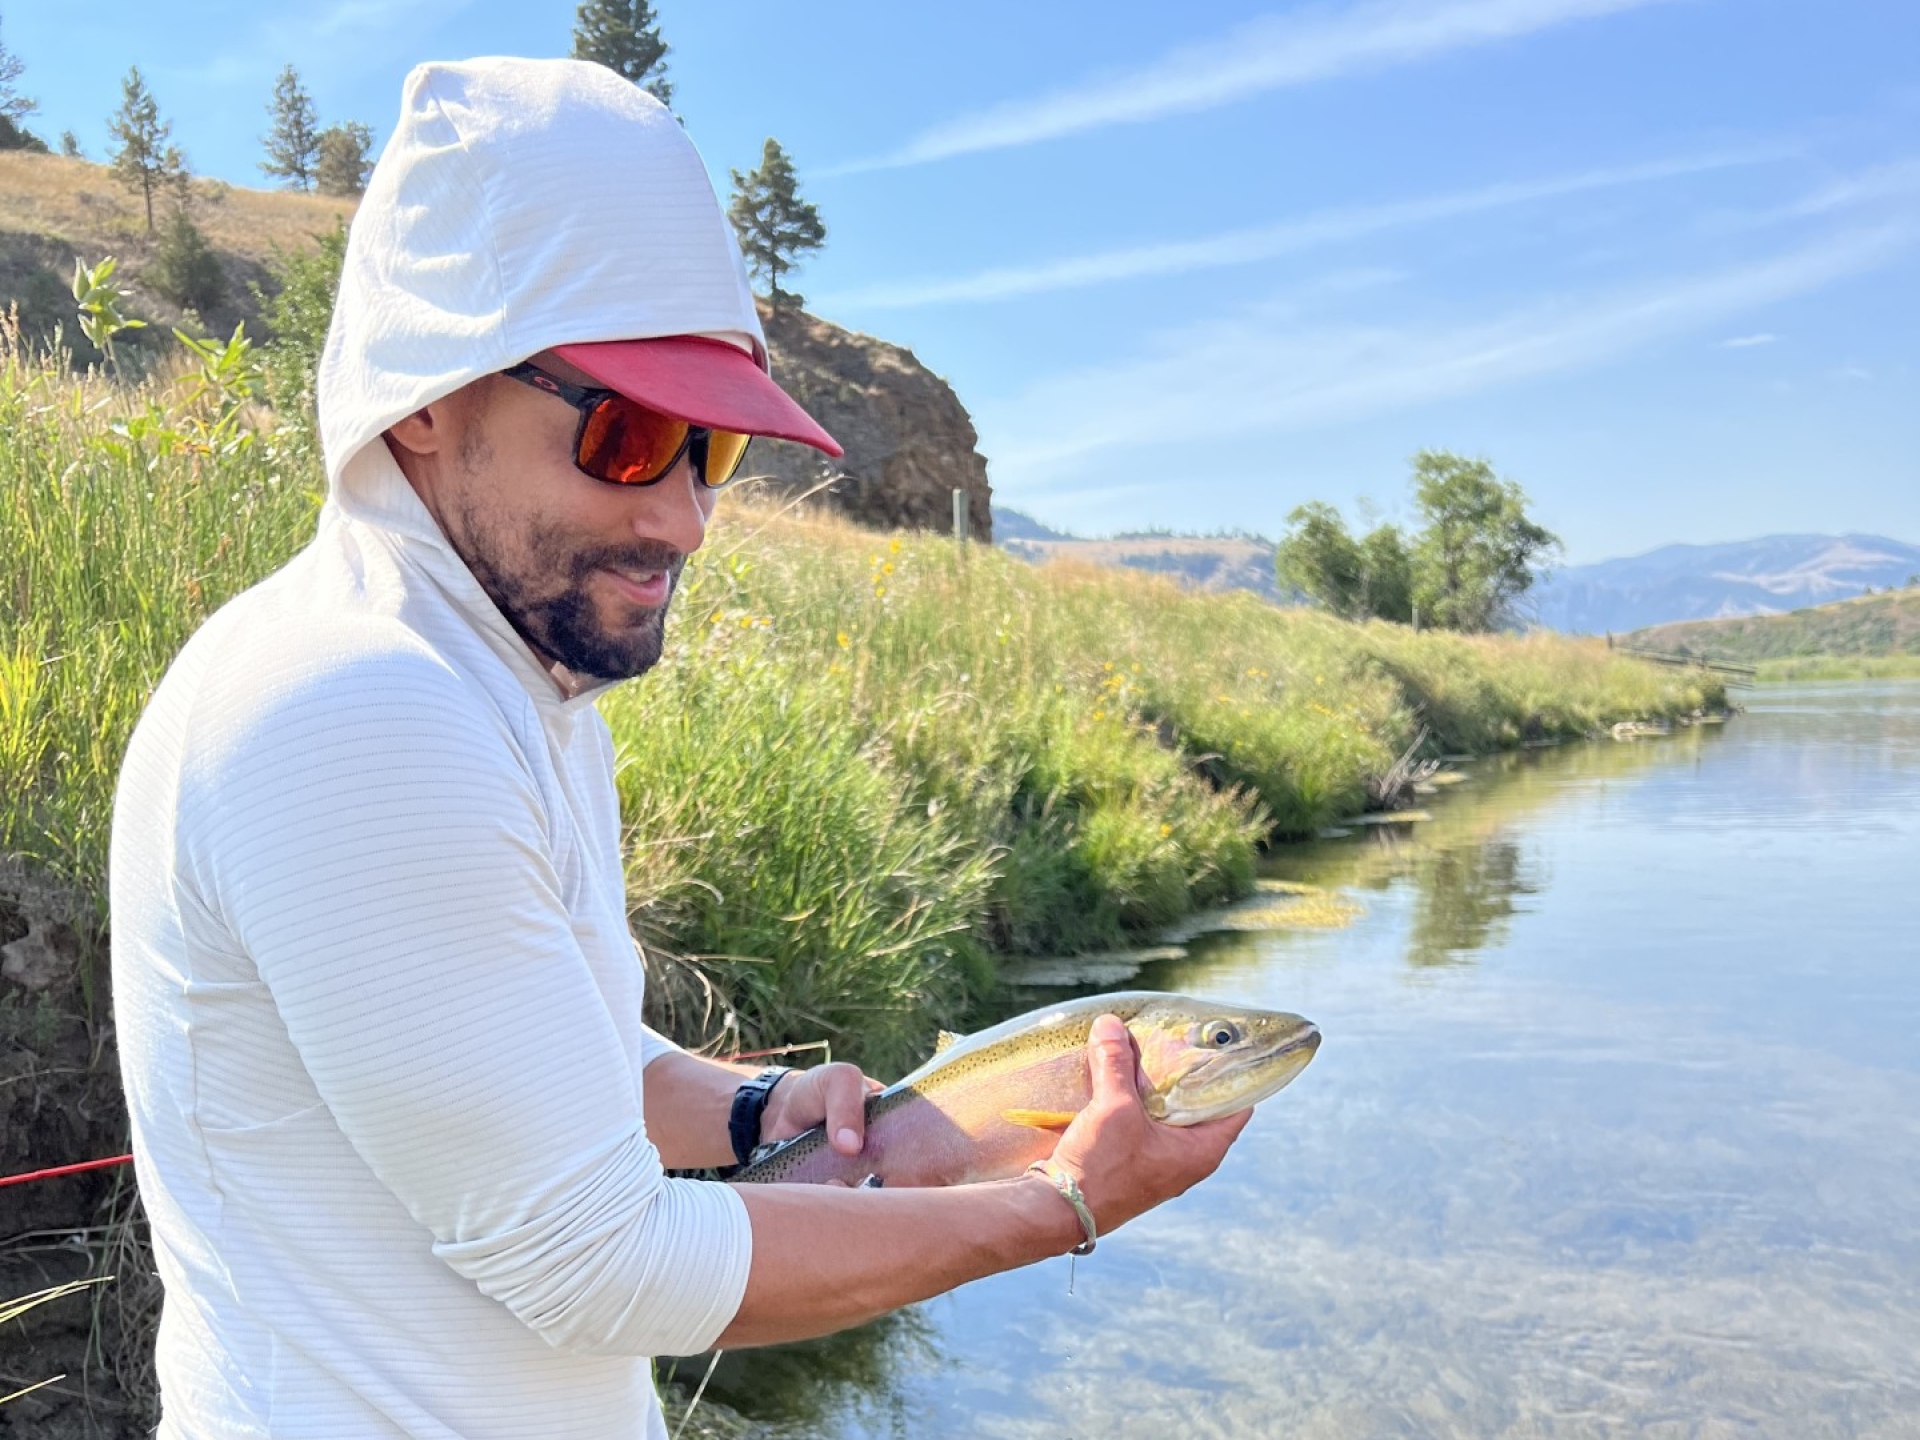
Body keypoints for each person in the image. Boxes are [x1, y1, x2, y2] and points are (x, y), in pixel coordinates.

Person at [109, 57, 1247, 1440]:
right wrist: (1056, 1205)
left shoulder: (510, 668)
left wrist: (757, 1109)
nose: (687, 519)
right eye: (631, 434)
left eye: (710, 448)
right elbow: (595, 1263)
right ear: (423, 396)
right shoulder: (354, 703)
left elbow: (551, 1053)